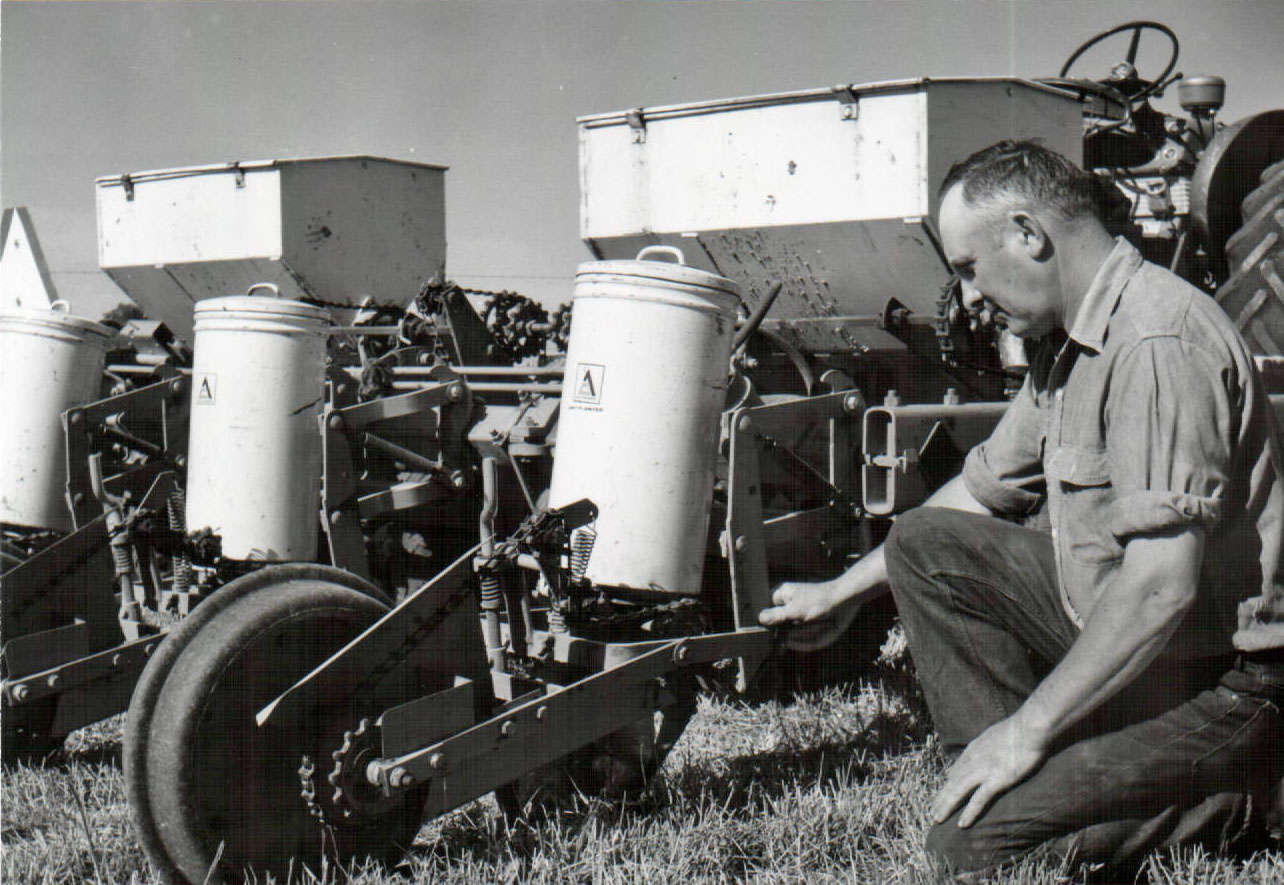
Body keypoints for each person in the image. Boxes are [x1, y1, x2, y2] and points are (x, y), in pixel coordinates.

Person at [759, 140, 1284, 878]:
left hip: (1228, 679)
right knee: (923, 541)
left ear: (1029, 235)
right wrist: (837, 591)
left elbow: (1164, 585)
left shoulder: (1157, 341)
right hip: (1137, 637)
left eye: (969, 268)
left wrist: (1028, 728)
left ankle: (1243, 798)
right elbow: (975, 494)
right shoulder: (1066, 349)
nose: (969, 295)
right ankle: (1010, 772)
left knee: (974, 850)